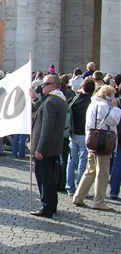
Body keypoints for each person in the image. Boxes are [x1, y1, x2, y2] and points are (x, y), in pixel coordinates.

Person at [72, 85, 120, 210]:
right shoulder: (103, 105)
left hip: (92, 140)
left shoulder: (92, 104)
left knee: (91, 170)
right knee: (102, 172)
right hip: (103, 142)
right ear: (107, 95)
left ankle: (78, 196)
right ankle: (99, 201)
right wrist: (116, 108)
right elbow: (114, 120)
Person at [29, 74, 68, 218]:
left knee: (44, 178)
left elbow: (47, 127)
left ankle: (47, 206)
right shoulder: (58, 99)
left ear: (55, 86)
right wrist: (35, 99)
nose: (43, 87)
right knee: (49, 177)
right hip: (53, 146)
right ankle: (51, 204)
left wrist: (40, 148)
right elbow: (43, 111)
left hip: (45, 147)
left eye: (46, 84)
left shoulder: (51, 101)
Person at [65, 79, 94, 195]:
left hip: (72, 133)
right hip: (84, 134)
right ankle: (81, 189)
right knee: (83, 161)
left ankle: (70, 187)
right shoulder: (91, 101)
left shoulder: (74, 99)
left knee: (71, 161)